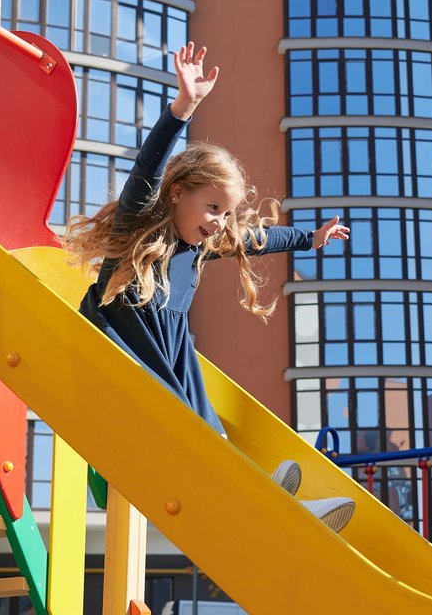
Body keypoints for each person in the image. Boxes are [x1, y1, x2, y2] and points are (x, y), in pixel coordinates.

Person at [61, 42, 357, 532]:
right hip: (120, 360)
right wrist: (184, 108)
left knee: (210, 435)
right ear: (177, 193)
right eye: (213, 208)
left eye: (226, 212)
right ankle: (263, 497)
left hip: (168, 356)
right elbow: (145, 170)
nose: (220, 222)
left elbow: (257, 238)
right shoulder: (137, 229)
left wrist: (312, 238)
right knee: (193, 435)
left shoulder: (198, 248)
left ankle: (276, 507)